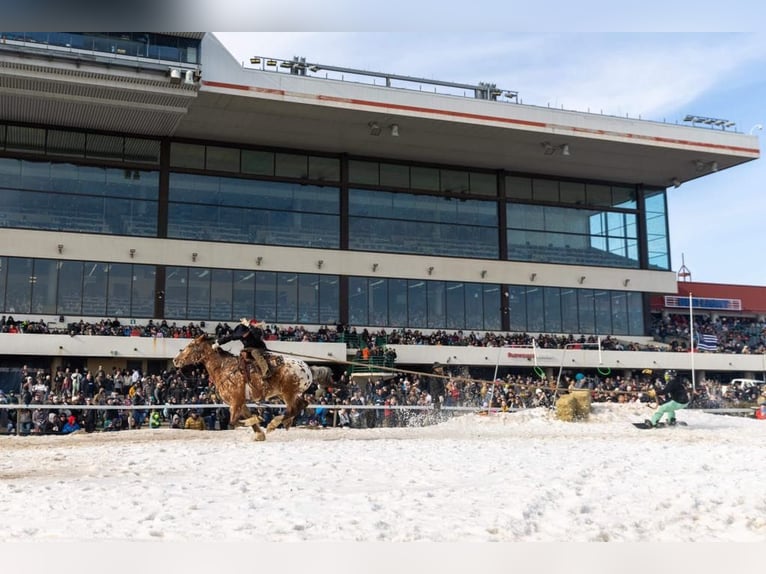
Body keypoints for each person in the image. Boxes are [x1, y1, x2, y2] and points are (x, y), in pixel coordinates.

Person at [212, 318, 272, 383]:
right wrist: (218, 343)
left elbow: (257, 337)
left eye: (245, 333)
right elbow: (229, 337)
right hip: (248, 349)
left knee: (255, 353)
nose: (243, 335)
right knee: (242, 354)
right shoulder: (240, 335)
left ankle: (266, 371)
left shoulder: (255, 331)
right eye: (242, 334)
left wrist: (249, 326)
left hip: (259, 348)